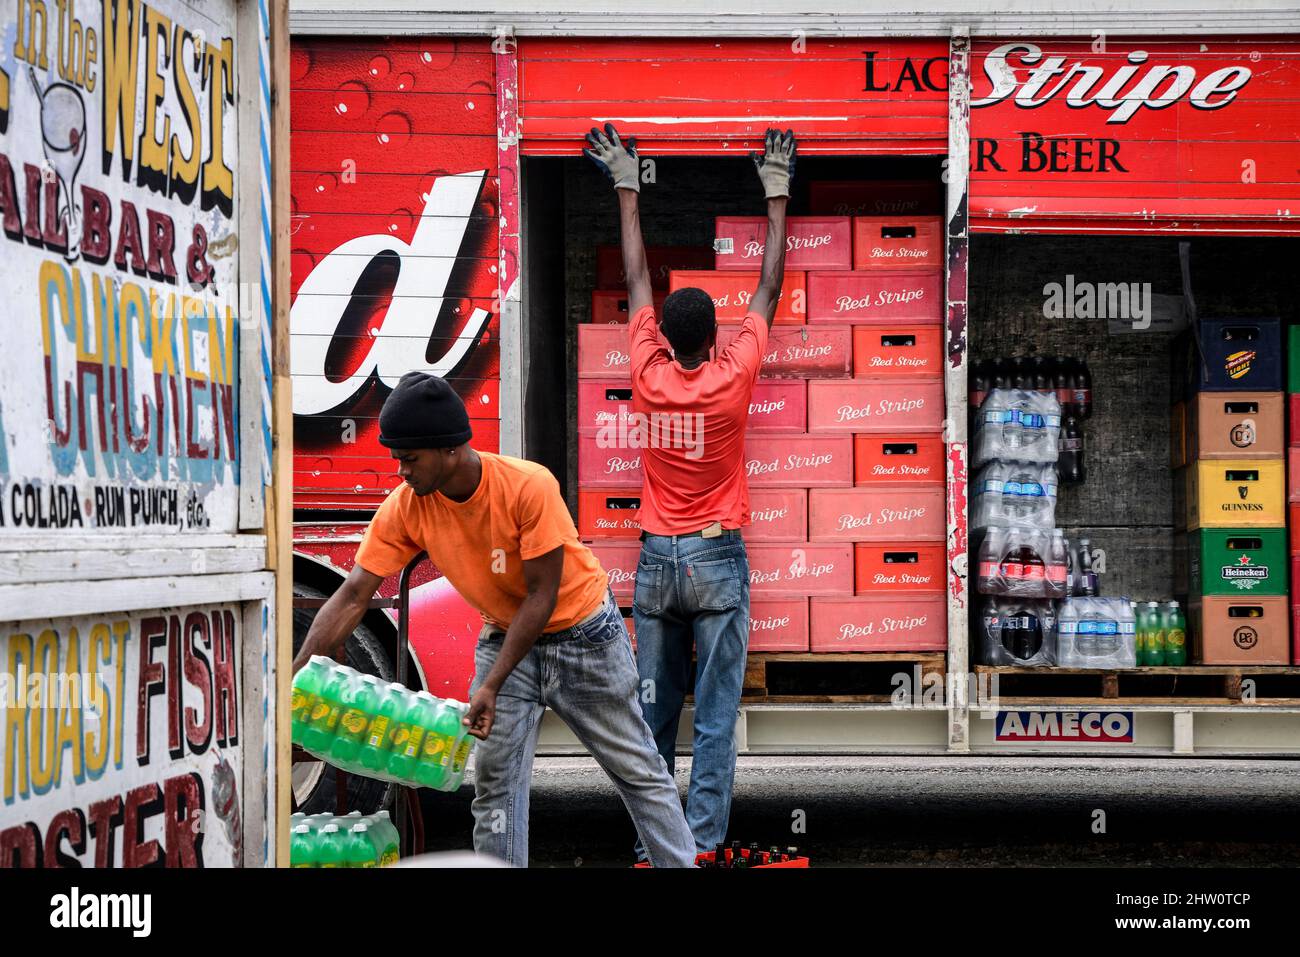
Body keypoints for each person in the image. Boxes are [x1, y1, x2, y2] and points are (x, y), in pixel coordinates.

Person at [291, 372, 696, 868]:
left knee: (638, 772)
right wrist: (296, 674)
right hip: (505, 635)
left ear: (451, 450)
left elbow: (541, 596)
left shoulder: (528, 486)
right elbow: (353, 594)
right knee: (495, 787)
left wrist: (492, 685)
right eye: (397, 458)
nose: (400, 471)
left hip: (584, 637)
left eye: (410, 459)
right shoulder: (408, 506)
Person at [584, 123, 796, 855]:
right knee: (712, 715)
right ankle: (699, 845)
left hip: (655, 565)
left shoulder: (647, 376)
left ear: (667, 337)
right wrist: (776, 191)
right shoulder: (734, 377)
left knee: (652, 717)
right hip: (715, 562)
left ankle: (653, 847)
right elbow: (769, 286)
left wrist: (626, 183)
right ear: (715, 336)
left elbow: (636, 277)